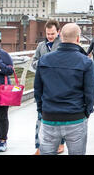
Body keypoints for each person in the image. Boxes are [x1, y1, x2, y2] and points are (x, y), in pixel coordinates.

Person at [34, 23, 94, 155]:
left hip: (49, 117)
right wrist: (86, 112)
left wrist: (42, 110)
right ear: (78, 39)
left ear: (61, 36)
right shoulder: (85, 62)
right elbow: (90, 92)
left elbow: (38, 90)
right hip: (76, 118)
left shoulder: (44, 60)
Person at [32, 20, 66, 155]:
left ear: (58, 32)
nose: (50, 36)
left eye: (52, 33)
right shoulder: (41, 45)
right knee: (40, 117)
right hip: (43, 87)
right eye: (48, 34)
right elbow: (34, 61)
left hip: (59, 87)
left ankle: (61, 143)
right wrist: (42, 63)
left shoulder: (63, 45)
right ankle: (39, 146)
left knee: (60, 118)